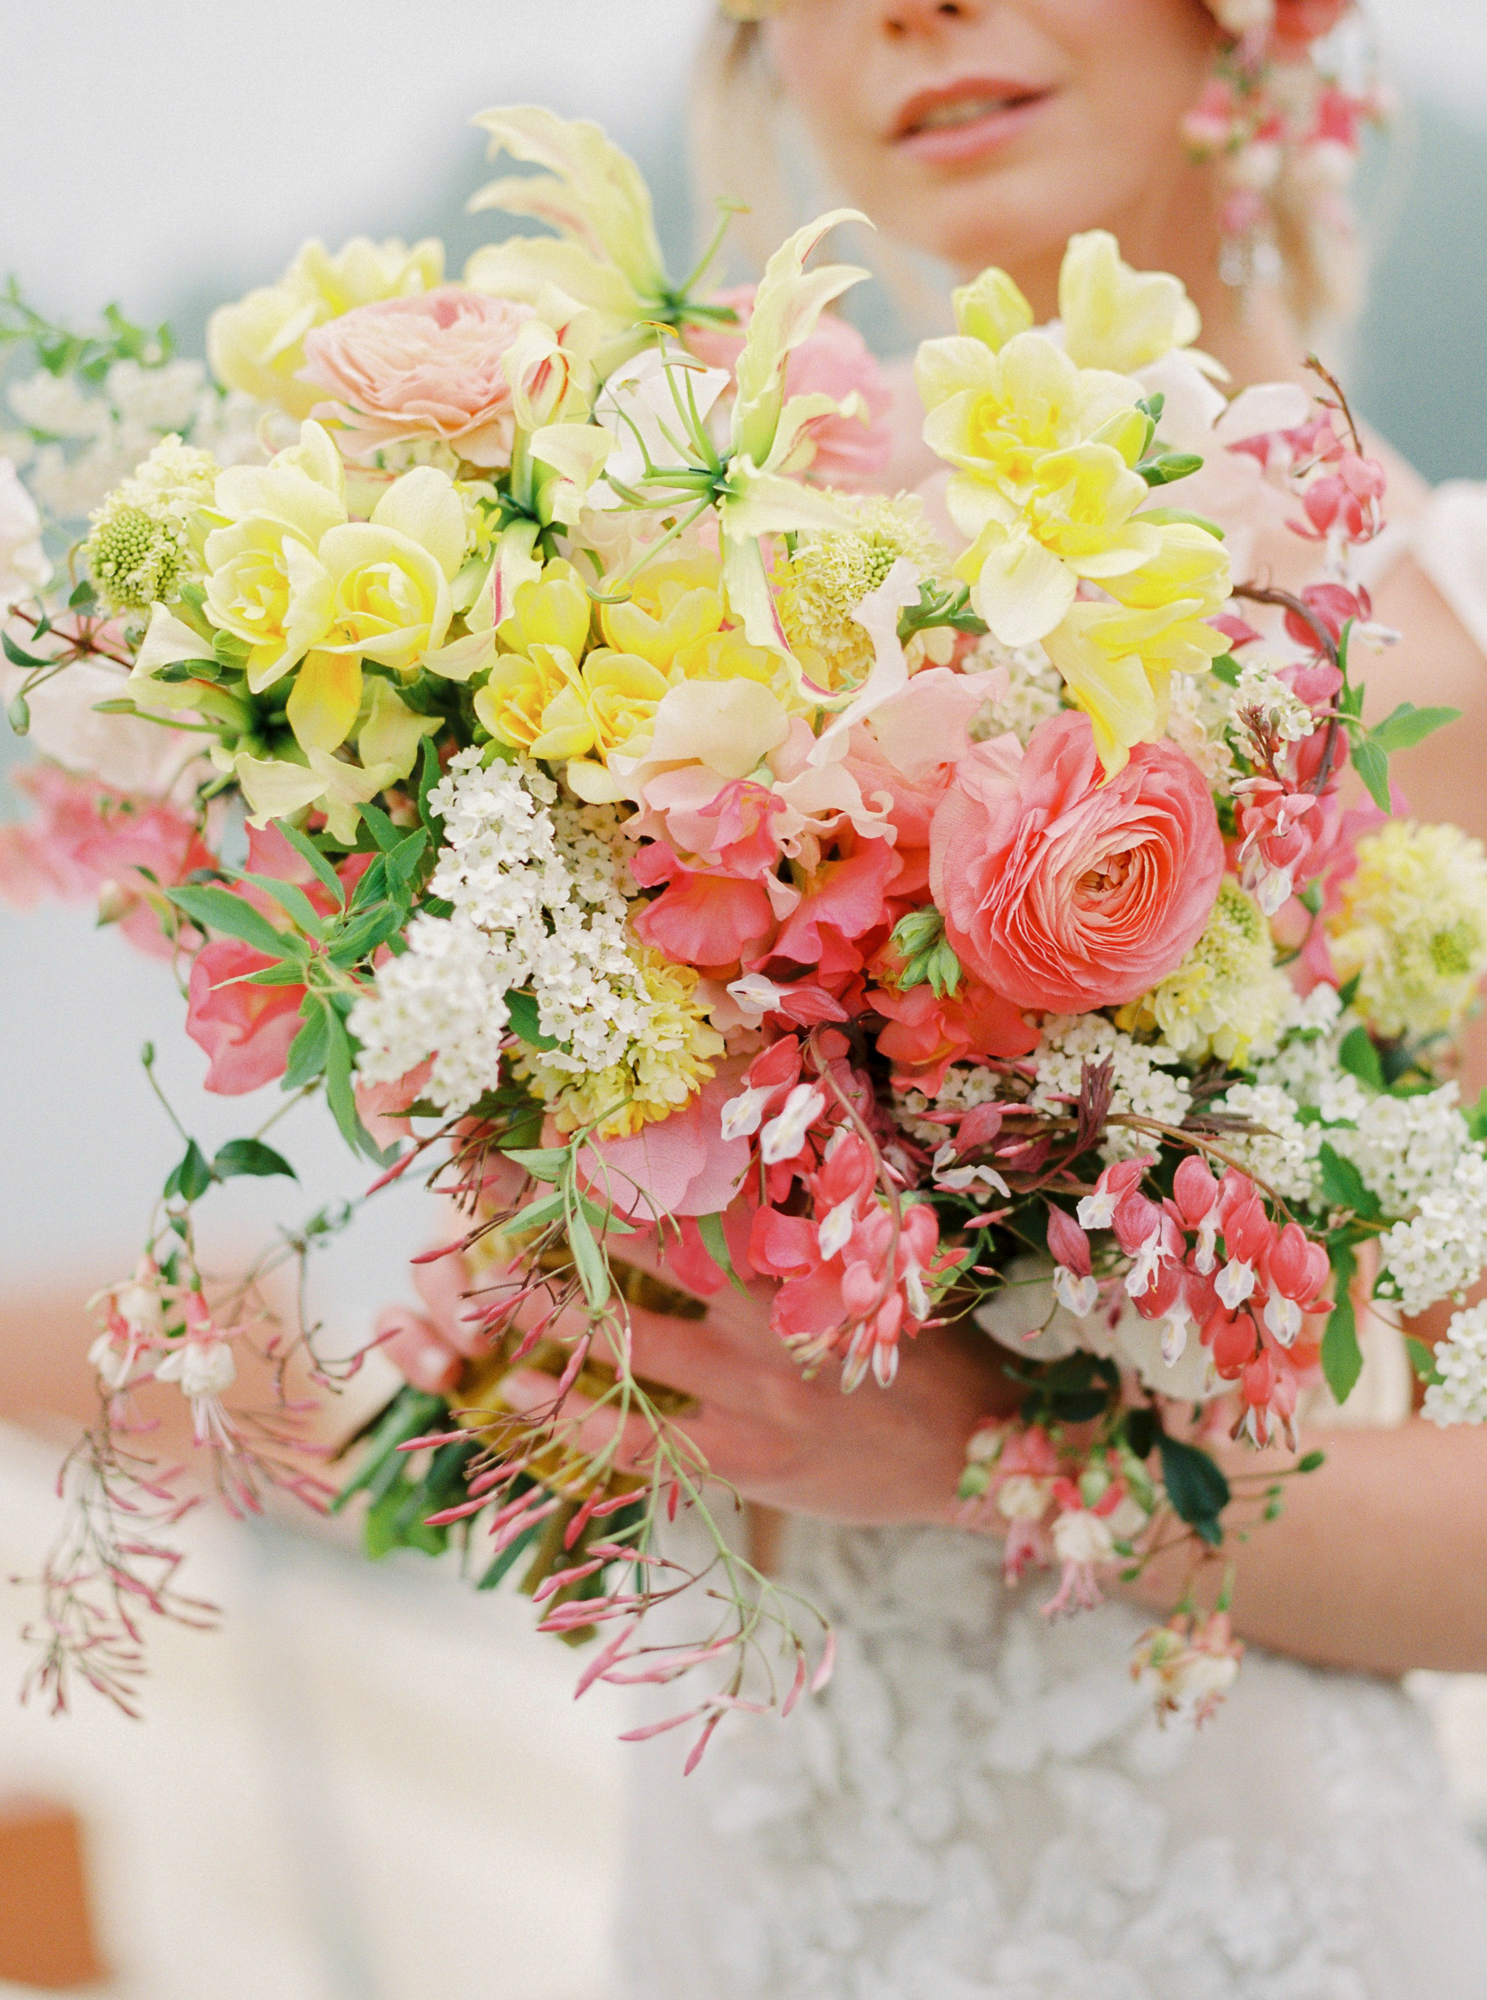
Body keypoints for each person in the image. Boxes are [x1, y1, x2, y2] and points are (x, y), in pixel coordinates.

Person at [386, 5, 1487, 1992]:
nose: (913, 14)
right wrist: (564, 1315)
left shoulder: (1424, 664)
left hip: (1223, 1911)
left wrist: (985, 1446)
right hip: (749, 1890)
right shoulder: (669, 602)